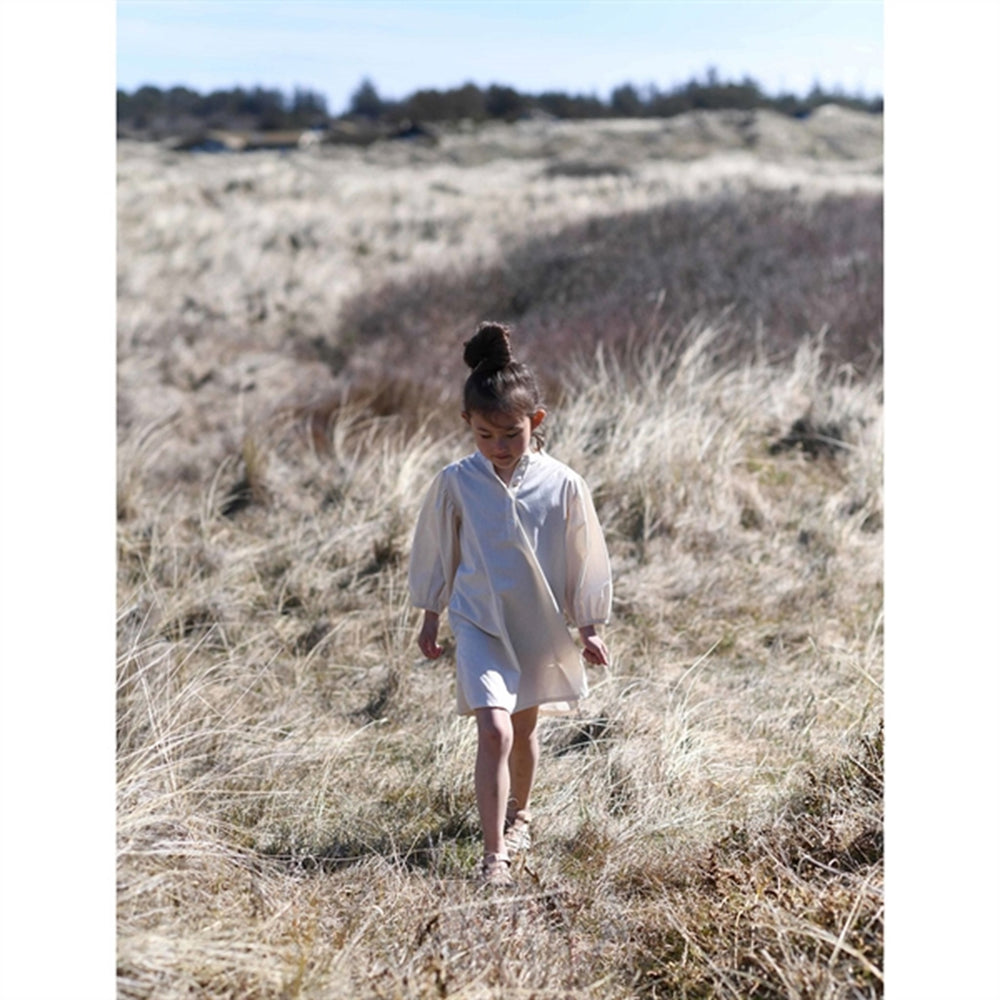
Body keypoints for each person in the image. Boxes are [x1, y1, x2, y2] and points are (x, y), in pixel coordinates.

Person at [408, 321, 613, 887]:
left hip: (536, 624)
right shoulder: (456, 482)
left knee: (523, 732)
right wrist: (430, 614)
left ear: (535, 422)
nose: (498, 447)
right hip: (478, 622)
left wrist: (589, 625)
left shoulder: (563, 484)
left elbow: (584, 556)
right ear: (467, 425)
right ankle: (494, 855)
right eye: (484, 435)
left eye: (510, 434)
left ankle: (520, 815)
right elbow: (438, 551)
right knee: (494, 731)